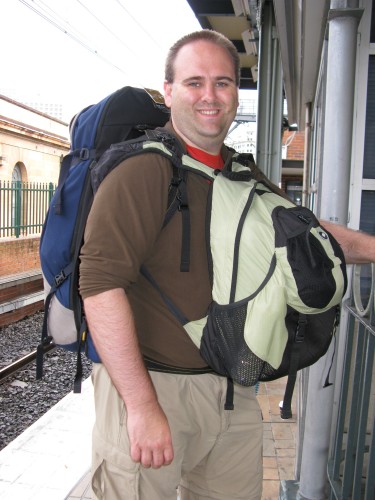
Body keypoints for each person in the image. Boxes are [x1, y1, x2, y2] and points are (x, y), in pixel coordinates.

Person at [79, 29, 375, 500]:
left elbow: (305, 232)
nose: (210, 96)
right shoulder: (143, 170)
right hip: (158, 387)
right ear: (170, 91)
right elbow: (99, 285)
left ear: (237, 93)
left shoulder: (238, 171)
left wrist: (373, 248)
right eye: (194, 82)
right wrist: (140, 405)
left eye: (223, 82)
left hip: (233, 390)